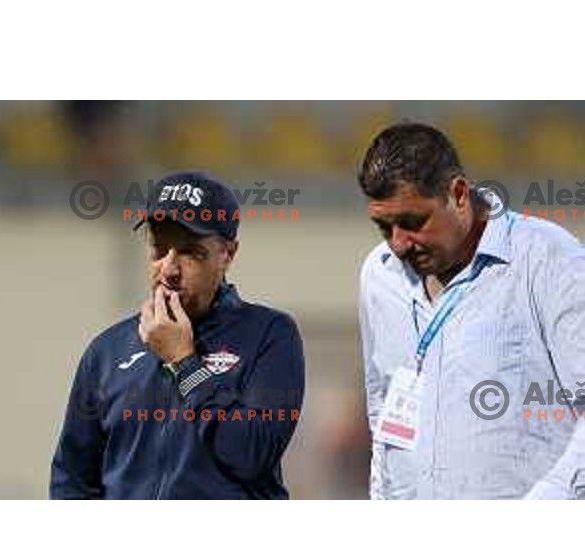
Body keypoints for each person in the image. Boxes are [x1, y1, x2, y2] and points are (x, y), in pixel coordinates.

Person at [357, 122, 585, 499]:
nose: (398, 244)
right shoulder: (378, 276)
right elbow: (384, 409)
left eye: (413, 223)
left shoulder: (551, 262)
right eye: (384, 227)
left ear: (459, 193)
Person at [50, 172, 305, 499]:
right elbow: (72, 480)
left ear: (227, 254)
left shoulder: (269, 334)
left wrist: (184, 362)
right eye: (159, 247)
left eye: (190, 252)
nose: (168, 269)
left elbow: (252, 454)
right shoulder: (106, 352)